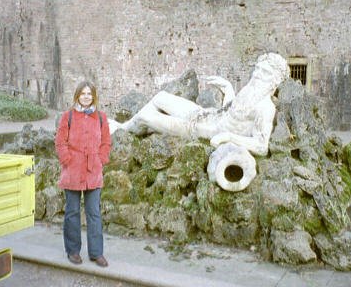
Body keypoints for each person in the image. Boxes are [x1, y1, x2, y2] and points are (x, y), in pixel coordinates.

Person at [111, 53, 289, 156]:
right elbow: (232, 112)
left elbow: (261, 146)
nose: (257, 74)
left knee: (145, 117)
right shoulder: (250, 92)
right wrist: (228, 89)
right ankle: (131, 128)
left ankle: (121, 130)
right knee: (161, 97)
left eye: (264, 72)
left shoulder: (265, 108)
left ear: (274, 82)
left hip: (198, 130)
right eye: (257, 69)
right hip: (206, 114)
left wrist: (229, 137)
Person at [55, 81, 112, 267]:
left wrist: (101, 159)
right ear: (77, 95)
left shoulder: (101, 117)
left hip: (93, 171)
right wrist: (68, 160)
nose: (86, 96)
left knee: (94, 213)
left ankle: (96, 253)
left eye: (89, 94)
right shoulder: (68, 116)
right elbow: (60, 142)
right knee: (72, 212)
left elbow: (106, 142)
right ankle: (73, 251)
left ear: (93, 96)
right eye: (83, 93)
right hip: (73, 170)